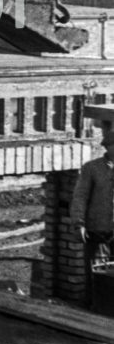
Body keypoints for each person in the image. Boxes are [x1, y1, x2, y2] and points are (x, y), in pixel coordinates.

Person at [70, 118, 114, 307]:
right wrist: (79, 223)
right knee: (96, 273)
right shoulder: (92, 169)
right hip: (98, 231)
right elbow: (80, 197)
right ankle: (93, 307)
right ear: (108, 147)